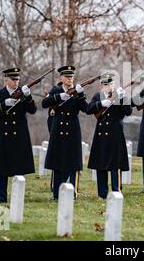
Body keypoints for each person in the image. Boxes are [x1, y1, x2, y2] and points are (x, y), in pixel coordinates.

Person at [0, 68, 36, 203]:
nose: (16, 82)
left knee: (19, 166)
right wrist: (4, 104)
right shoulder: (0, 93)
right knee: (3, 168)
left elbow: (32, 110)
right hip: (5, 134)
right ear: (6, 80)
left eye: (17, 79)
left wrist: (29, 96)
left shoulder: (22, 93)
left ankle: (17, 195)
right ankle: (1, 196)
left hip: (20, 134)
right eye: (13, 79)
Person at [41, 66, 88, 200]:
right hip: (58, 130)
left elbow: (85, 108)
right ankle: (56, 194)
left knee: (73, 163)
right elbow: (44, 103)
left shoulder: (78, 91)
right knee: (57, 163)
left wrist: (80, 95)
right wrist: (58, 97)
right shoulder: (56, 90)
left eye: (71, 76)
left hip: (73, 130)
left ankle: (73, 193)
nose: (69, 79)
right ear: (61, 78)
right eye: (67, 77)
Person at [86, 73, 132, 199]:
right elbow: (88, 109)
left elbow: (128, 111)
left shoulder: (119, 96)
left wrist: (122, 98)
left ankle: (117, 190)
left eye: (111, 84)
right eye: (106, 84)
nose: (109, 86)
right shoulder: (97, 96)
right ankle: (102, 193)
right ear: (101, 86)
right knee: (101, 164)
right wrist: (101, 104)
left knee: (115, 164)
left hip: (115, 133)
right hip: (101, 133)